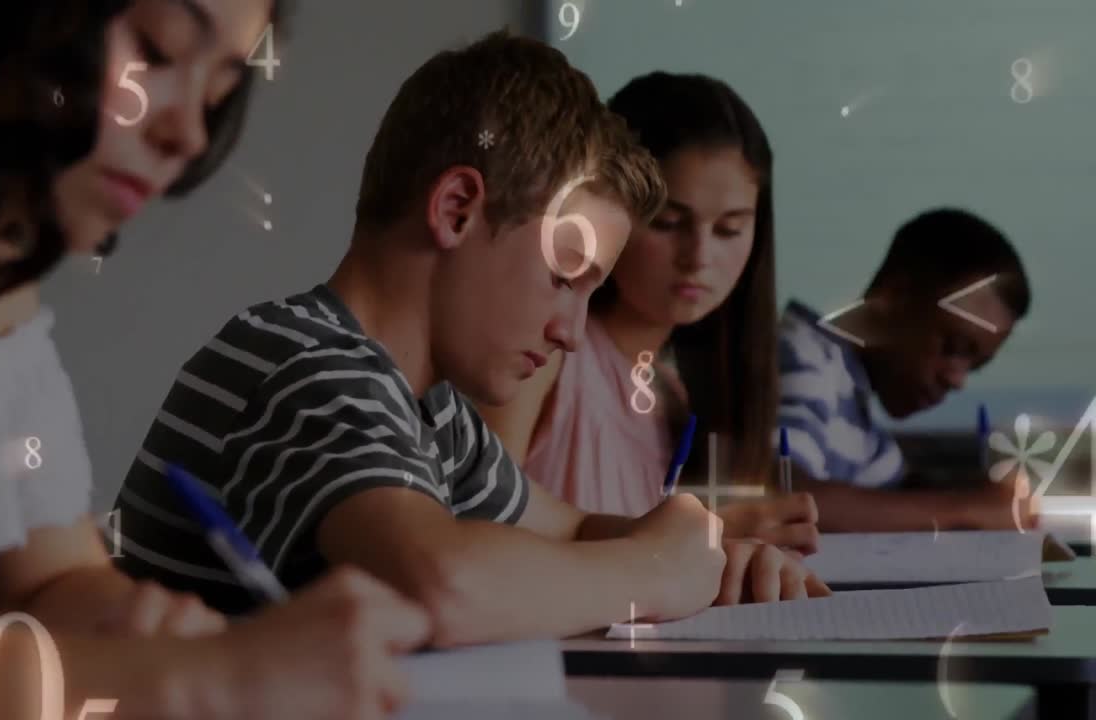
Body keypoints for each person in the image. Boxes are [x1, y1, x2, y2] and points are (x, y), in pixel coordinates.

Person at [114, 32, 826, 649]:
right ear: (456, 210)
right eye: (563, 276)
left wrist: (710, 553)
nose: (571, 332)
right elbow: (442, 584)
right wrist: (656, 571)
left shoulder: (434, 410)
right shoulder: (308, 366)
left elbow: (568, 529)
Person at [0, 2, 427, 719]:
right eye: (158, 49)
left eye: (217, 91)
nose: (188, 133)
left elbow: (46, 580)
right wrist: (199, 680)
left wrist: (135, 622)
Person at [479, 72, 822, 556]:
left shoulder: (676, 397)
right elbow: (474, 536)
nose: (698, 257)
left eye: (729, 229)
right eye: (668, 223)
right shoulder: (542, 353)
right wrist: (682, 545)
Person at [778, 208, 1036, 532]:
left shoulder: (853, 400)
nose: (957, 380)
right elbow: (782, 498)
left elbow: (894, 495)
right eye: (954, 347)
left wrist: (988, 495)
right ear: (895, 295)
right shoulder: (800, 357)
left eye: (976, 366)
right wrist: (969, 509)